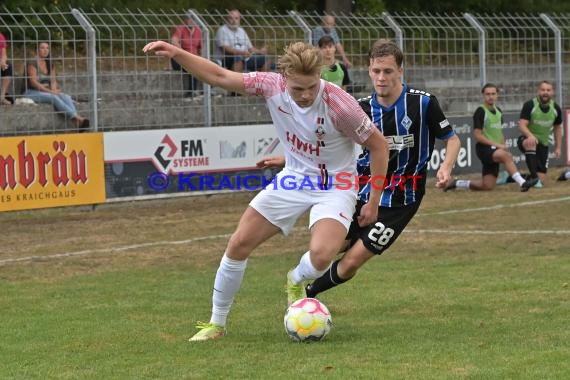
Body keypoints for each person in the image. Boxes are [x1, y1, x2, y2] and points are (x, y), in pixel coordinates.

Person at [143, 39, 389, 342]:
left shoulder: (340, 105)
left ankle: (296, 280)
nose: (306, 94)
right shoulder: (269, 85)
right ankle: (216, 324)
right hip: (294, 179)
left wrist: (373, 200)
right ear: (284, 78)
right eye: (298, 88)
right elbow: (220, 76)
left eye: (312, 86)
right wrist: (178, 53)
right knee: (238, 243)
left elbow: (379, 146)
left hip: (336, 186)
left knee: (323, 255)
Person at [258, 40, 461, 301]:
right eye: (376, 71)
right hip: (360, 191)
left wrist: (446, 167)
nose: (381, 77)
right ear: (368, 70)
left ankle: (308, 295)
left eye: (388, 71)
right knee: (329, 249)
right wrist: (289, 160)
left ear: (400, 70)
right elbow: (327, 149)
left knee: (353, 260)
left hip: (401, 200)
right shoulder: (359, 108)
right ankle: (297, 282)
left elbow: (452, 139)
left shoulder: (423, 104)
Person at [444, 83, 538, 192]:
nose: (491, 96)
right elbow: (478, 136)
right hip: (484, 149)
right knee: (506, 156)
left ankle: (457, 183)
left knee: (487, 186)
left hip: (495, 149)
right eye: (488, 94)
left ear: (497, 95)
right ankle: (522, 183)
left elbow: (499, 132)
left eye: (493, 94)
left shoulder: (498, 111)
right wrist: (498, 146)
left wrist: (503, 145)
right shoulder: (481, 111)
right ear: (483, 95)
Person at [23, 42, 89, 130]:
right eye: (42, 48)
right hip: (31, 92)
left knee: (65, 96)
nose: (45, 50)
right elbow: (33, 82)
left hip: (46, 91)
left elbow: (53, 81)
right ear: (37, 50)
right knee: (53, 97)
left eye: (47, 48)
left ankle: (76, 122)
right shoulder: (32, 62)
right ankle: (77, 118)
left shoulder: (50, 62)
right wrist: (51, 92)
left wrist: (54, 89)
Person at [517, 80, 563, 188]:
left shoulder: (556, 108)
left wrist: (558, 147)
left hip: (543, 144)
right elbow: (522, 126)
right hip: (526, 140)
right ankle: (534, 179)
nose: (545, 92)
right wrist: (530, 135)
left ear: (552, 92)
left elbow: (557, 128)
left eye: (548, 90)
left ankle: (512, 177)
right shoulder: (530, 105)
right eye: (543, 90)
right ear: (538, 91)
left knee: (542, 179)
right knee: (530, 142)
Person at [171, 13, 202, 99]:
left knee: (203, 65)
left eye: (193, 19)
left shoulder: (198, 31)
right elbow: (174, 41)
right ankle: (192, 92)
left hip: (194, 58)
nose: (191, 21)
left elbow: (202, 48)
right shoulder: (180, 28)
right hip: (180, 58)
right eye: (189, 18)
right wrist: (183, 53)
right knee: (193, 66)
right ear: (185, 19)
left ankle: (205, 90)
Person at [0, 31, 13, 105]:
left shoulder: (0, 36)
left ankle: (2, 96)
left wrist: (3, 62)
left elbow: (4, 54)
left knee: (8, 66)